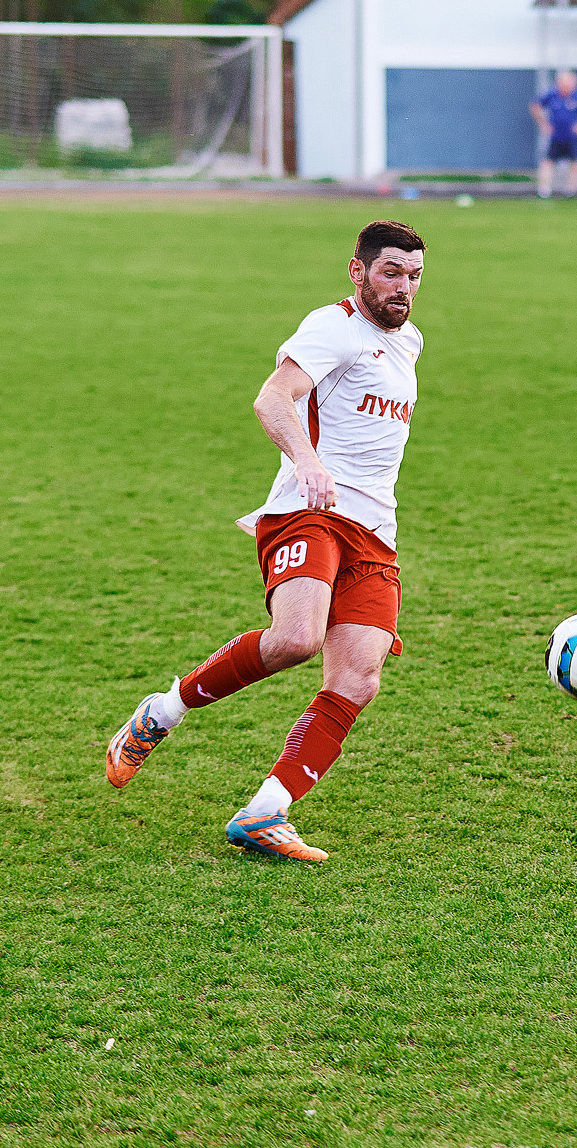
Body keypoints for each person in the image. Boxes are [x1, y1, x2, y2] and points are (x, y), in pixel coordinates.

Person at [104, 220, 428, 863]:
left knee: (359, 677)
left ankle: (265, 812)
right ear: (357, 271)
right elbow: (273, 398)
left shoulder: (410, 342)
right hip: (309, 513)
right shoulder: (332, 327)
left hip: (374, 531)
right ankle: (161, 712)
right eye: (390, 272)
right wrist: (308, 463)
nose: (403, 288)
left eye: (414, 275)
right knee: (297, 641)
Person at [529, 70, 577, 198]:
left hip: (572, 136)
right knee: (548, 161)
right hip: (556, 136)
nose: (566, 87)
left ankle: (571, 190)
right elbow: (535, 105)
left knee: (575, 162)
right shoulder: (552, 95)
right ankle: (544, 189)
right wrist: (543, 123)